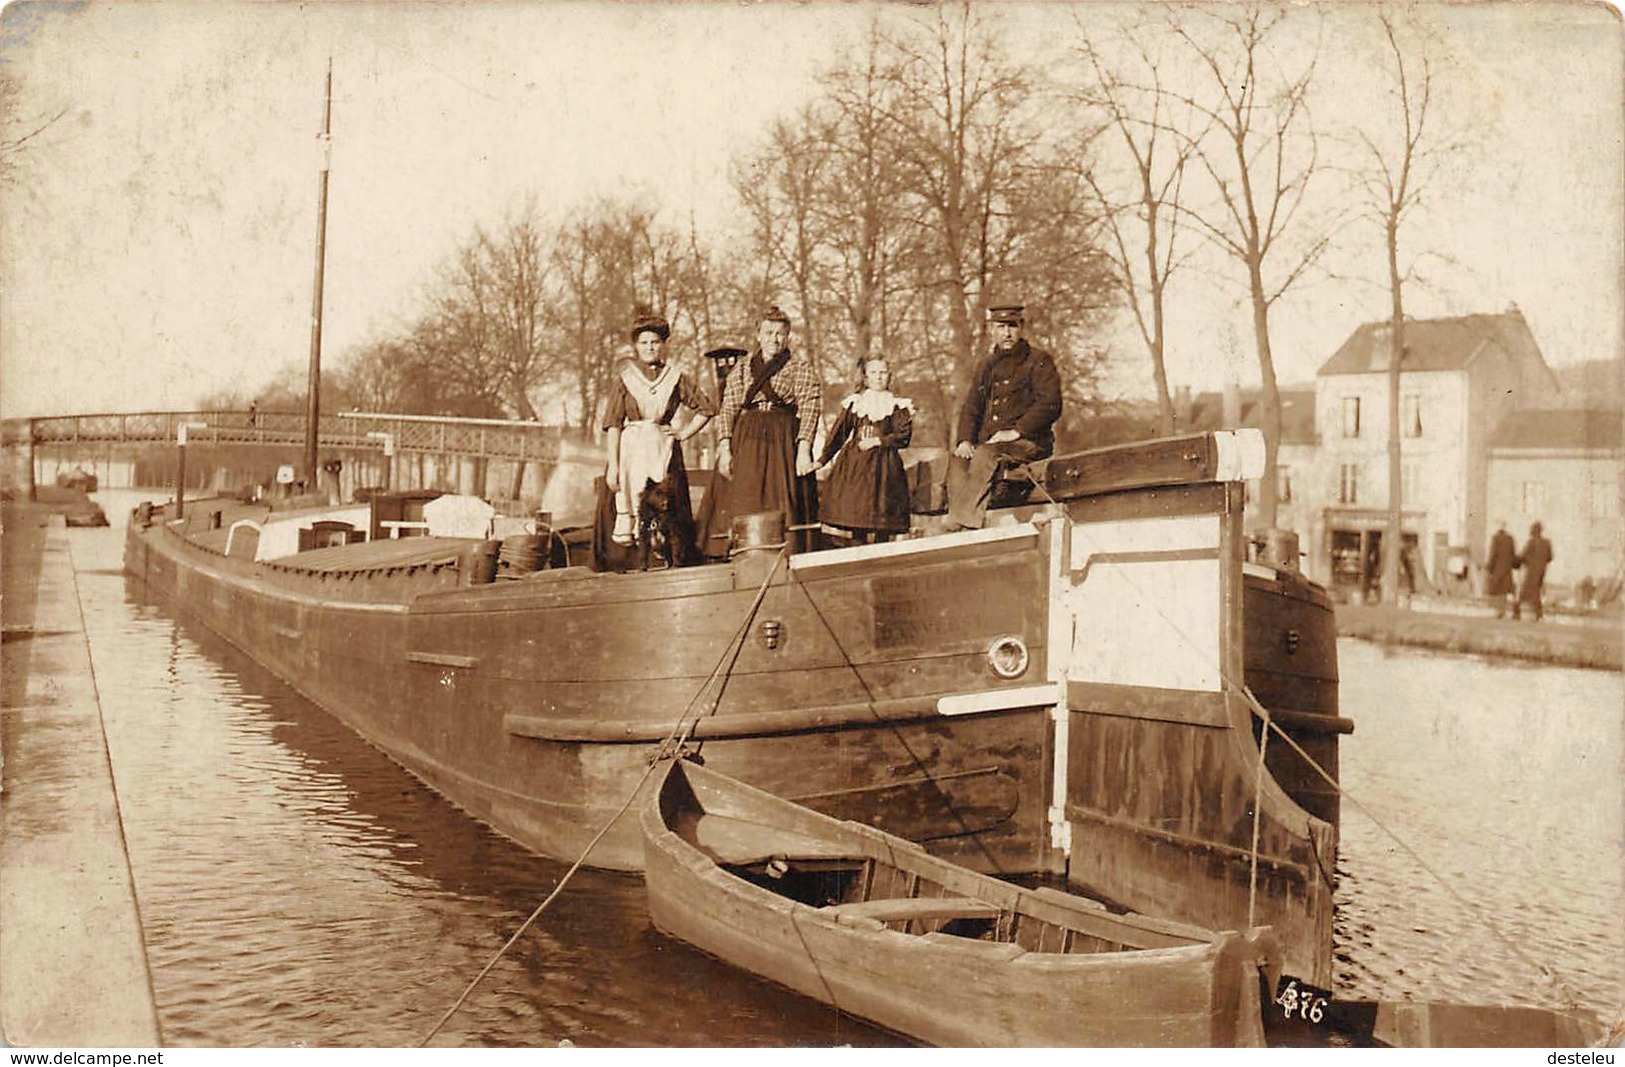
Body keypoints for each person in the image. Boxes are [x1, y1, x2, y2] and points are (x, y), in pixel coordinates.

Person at [602, 308, 715, 564]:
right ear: (636, 346)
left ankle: (668, 560)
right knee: (628, 506)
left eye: (655, 342)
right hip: (630, 452)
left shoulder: (675, 378)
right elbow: (613, 424)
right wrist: (614, 465)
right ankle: (632, 562)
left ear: (663, 345)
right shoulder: (625, 379)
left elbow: (706, 409)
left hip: (663, 451)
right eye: (644, 343)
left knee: (669, 511)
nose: (650, 347)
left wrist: (684, 433)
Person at [946, 301, 1062, 530]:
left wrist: (1016, 431)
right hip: (991, 445)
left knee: (988, 453)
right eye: (1001, 327)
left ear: (1021, 327)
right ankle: (962, 522)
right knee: (959, 459)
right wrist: (965, 440)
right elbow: (972, 405)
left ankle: (963, 523)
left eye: (1012, 326)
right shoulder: (987, 365)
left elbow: (1051, 404)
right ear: (992, 330)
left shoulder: (1038, 360)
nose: (1007, 333)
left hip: (1029, 442)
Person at [716, 305, 822, 551]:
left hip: (782, 438)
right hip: (748, 438)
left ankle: (786, 550)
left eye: (780, 333)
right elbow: (729, 408)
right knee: (746, 494)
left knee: (782, 497)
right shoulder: (742, 369)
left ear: (787, 337)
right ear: (758, 335)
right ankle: (746, 551)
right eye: (769, 332)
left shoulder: (800, 368)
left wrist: (804, 448)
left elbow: (809, 409)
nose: (774, 339)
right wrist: (724, 447)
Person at [816, 356, 914, 544]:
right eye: (874, 373)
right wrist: (822, 459)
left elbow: (904, 436)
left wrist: (879, 441)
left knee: (882, 516)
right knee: (857, 514)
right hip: (856, 467)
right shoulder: (856, 403)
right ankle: (857, 553)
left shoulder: (897, 406)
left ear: (889, 376)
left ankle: (881, 556)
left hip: (885, 468)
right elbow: (839, 434)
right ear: (866, 378)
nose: (878, 377)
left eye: (883, 373)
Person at [1515, 521, 1553, 621]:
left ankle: (1517, 613)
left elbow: (1522, 556)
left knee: (1525, 592)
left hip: (1531, 572)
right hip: (1541, 572)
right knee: (1535, 592)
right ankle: (1538, 614)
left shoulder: (1531, 542)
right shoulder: (1547, 543)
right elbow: (1550, 557)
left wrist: (1521, 561)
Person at [1485, 520, 1518, 618]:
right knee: (1505, 590)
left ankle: (1499, 610)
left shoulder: (1495, 538)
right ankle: (1504, 609)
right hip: (1507, 567)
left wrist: (1490, 567)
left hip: (1497, 567)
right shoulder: (1510, 538)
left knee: (1497, 589)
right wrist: (1514, 565)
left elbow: (1493, 553)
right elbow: (1513, 554)